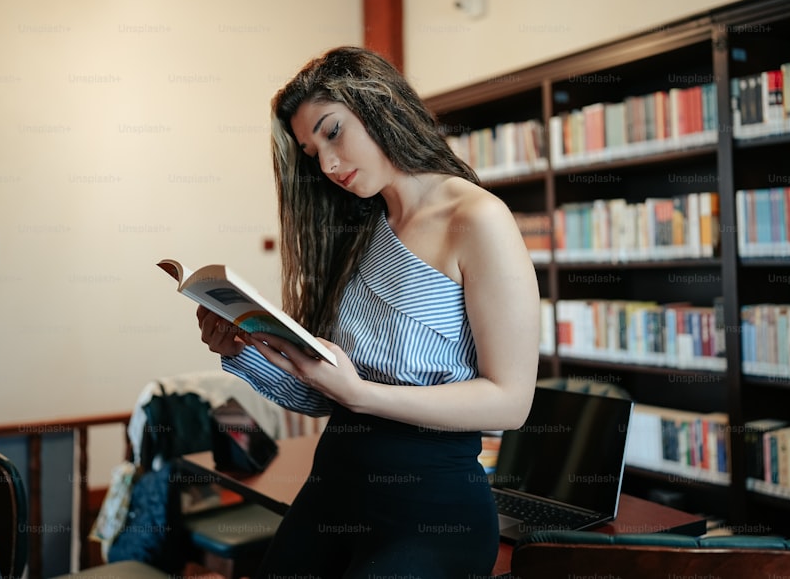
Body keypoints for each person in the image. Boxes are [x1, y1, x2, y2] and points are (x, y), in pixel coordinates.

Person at [196, 46, 540, 578]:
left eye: (333, 132)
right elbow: (330, 395)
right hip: (333, 488)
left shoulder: (478, 218)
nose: (329, 165)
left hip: (430, 512)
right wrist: (243, 349)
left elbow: (510, 403)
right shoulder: (361, 229)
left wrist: (361, 393)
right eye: (313, 154)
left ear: (379, 104)